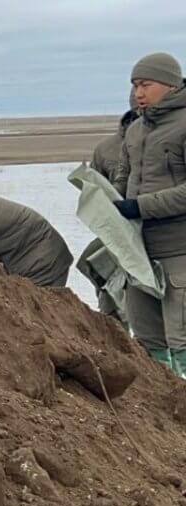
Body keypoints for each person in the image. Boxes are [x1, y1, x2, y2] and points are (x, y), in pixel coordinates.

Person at [110, 52, 186, 373]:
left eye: (146, 84)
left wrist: (139, 207)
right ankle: (159, 416)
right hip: (139, 254)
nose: (138, 93)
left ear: (170, 84)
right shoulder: (135, 130)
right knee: (147, 340)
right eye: (135, 85)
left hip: (179, 251)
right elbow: (123, 180)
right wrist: (106, 201)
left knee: (181, 339)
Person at [77, 93, 140, 329]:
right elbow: (93, 198)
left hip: (166, 238)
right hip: (117, 237)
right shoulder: (106, 150)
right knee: (110, 298)